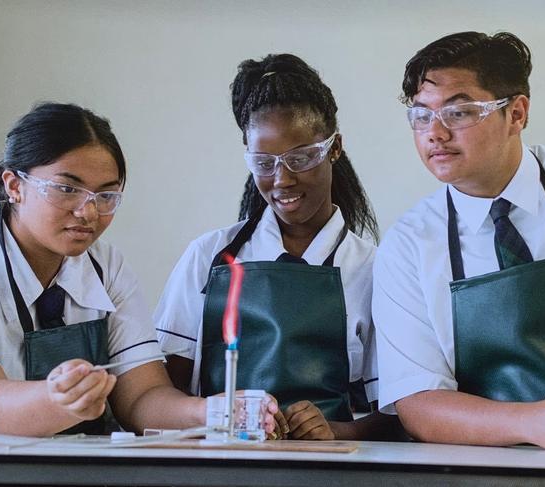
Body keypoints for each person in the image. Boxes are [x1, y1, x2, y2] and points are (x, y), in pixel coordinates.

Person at [373, 31, 545, 451]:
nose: (435, 134)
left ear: (516, 114)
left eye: (458, 113)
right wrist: (534, 423)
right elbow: (418, 402)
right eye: (422, 116)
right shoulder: (408, 246)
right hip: (495, 469)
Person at [0, 102, 278, 437]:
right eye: (67, 189)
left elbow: (142, 397)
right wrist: (55, 401)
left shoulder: (105, 266)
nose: (88, 212)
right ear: (14, 186)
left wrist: (216, 411)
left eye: (106, 195)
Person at [155, 54, 403, 440]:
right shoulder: (209, 257)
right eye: (264, 162)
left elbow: (396, 415)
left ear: (334, 148)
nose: (282, 179)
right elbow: (162, 394)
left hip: (333, 472)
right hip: (222, 466)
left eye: (300, 158)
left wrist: (335, 431)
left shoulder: (374, 269)